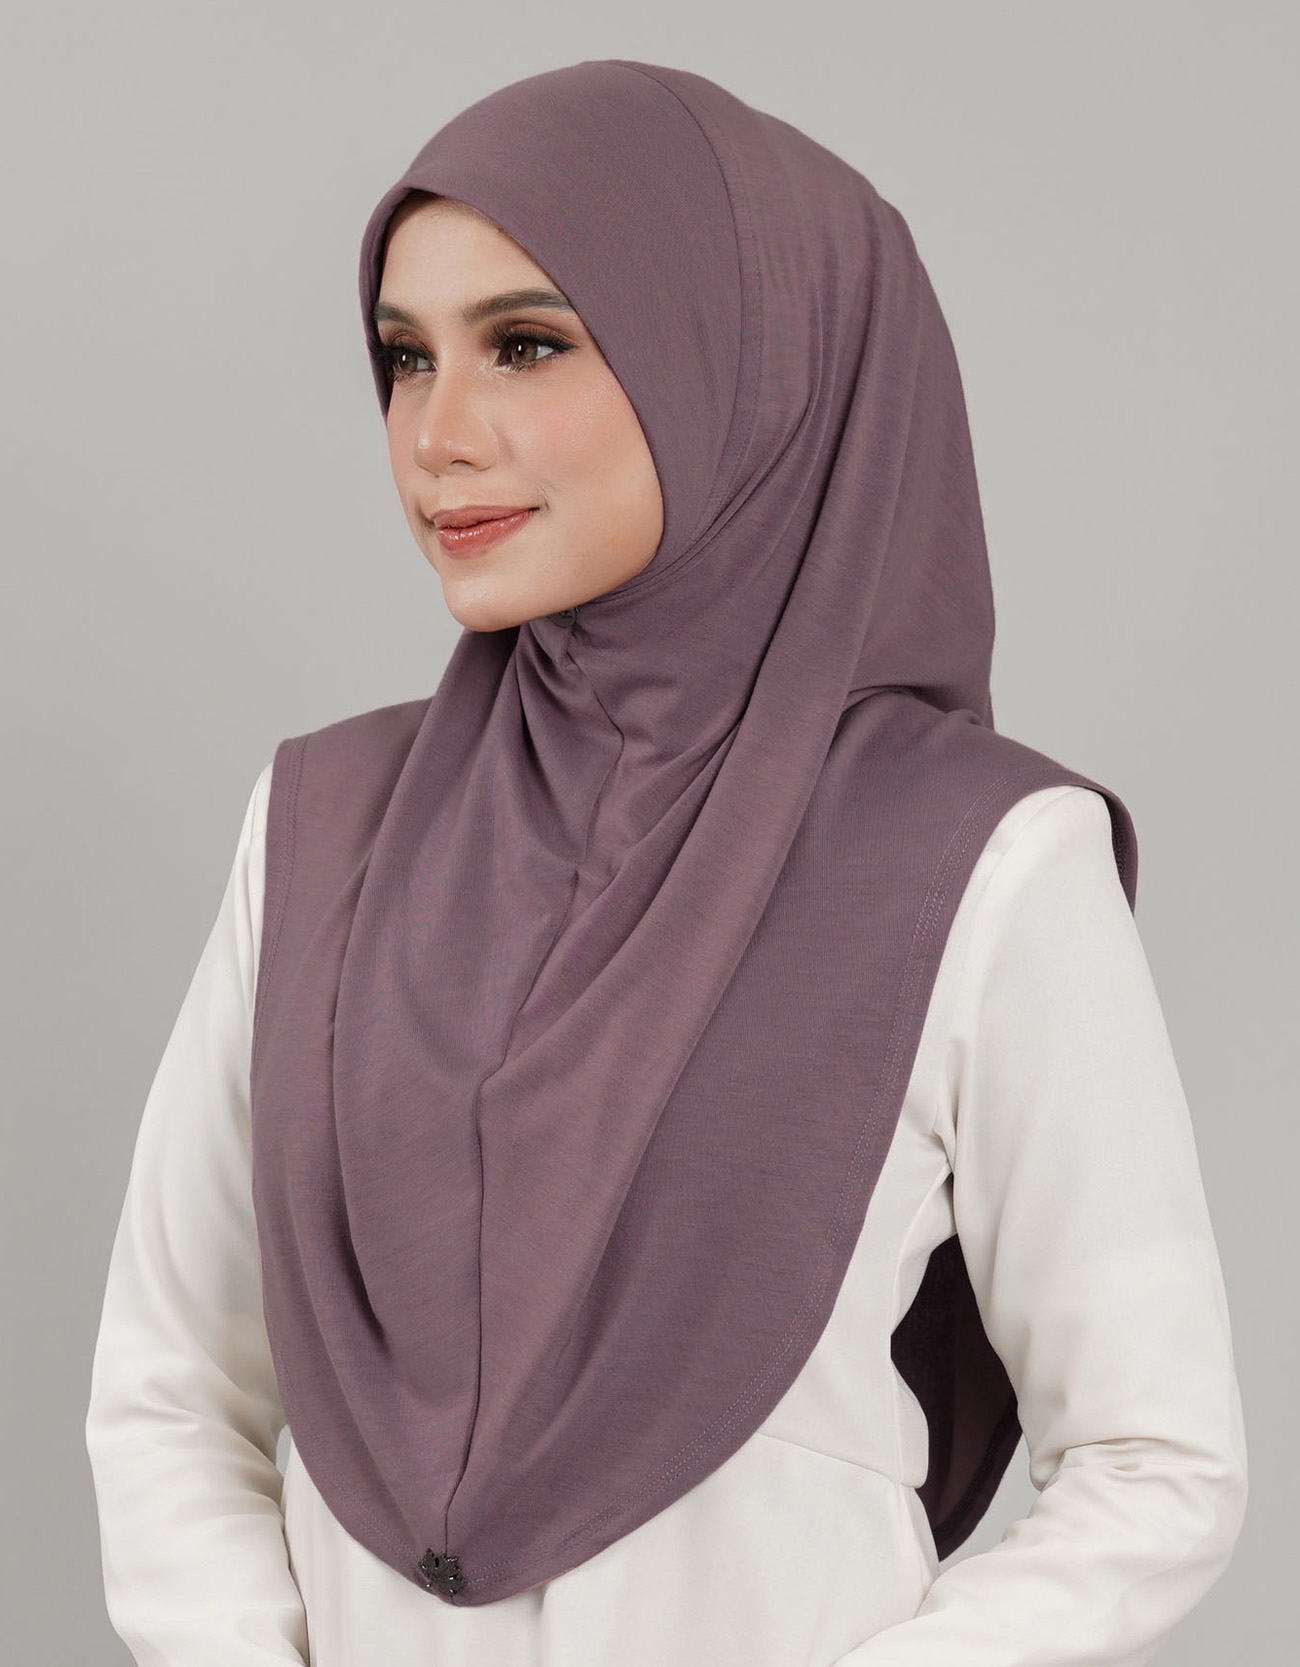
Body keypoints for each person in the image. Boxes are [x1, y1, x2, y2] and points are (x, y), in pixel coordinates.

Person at [84, 59, 1246, 1667]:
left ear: (742, 368)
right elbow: (171, 1386)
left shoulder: (978, 861)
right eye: (406, 358)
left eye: (526, 344)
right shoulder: (321, 825)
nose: (437, 436)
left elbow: (1156, 1463)